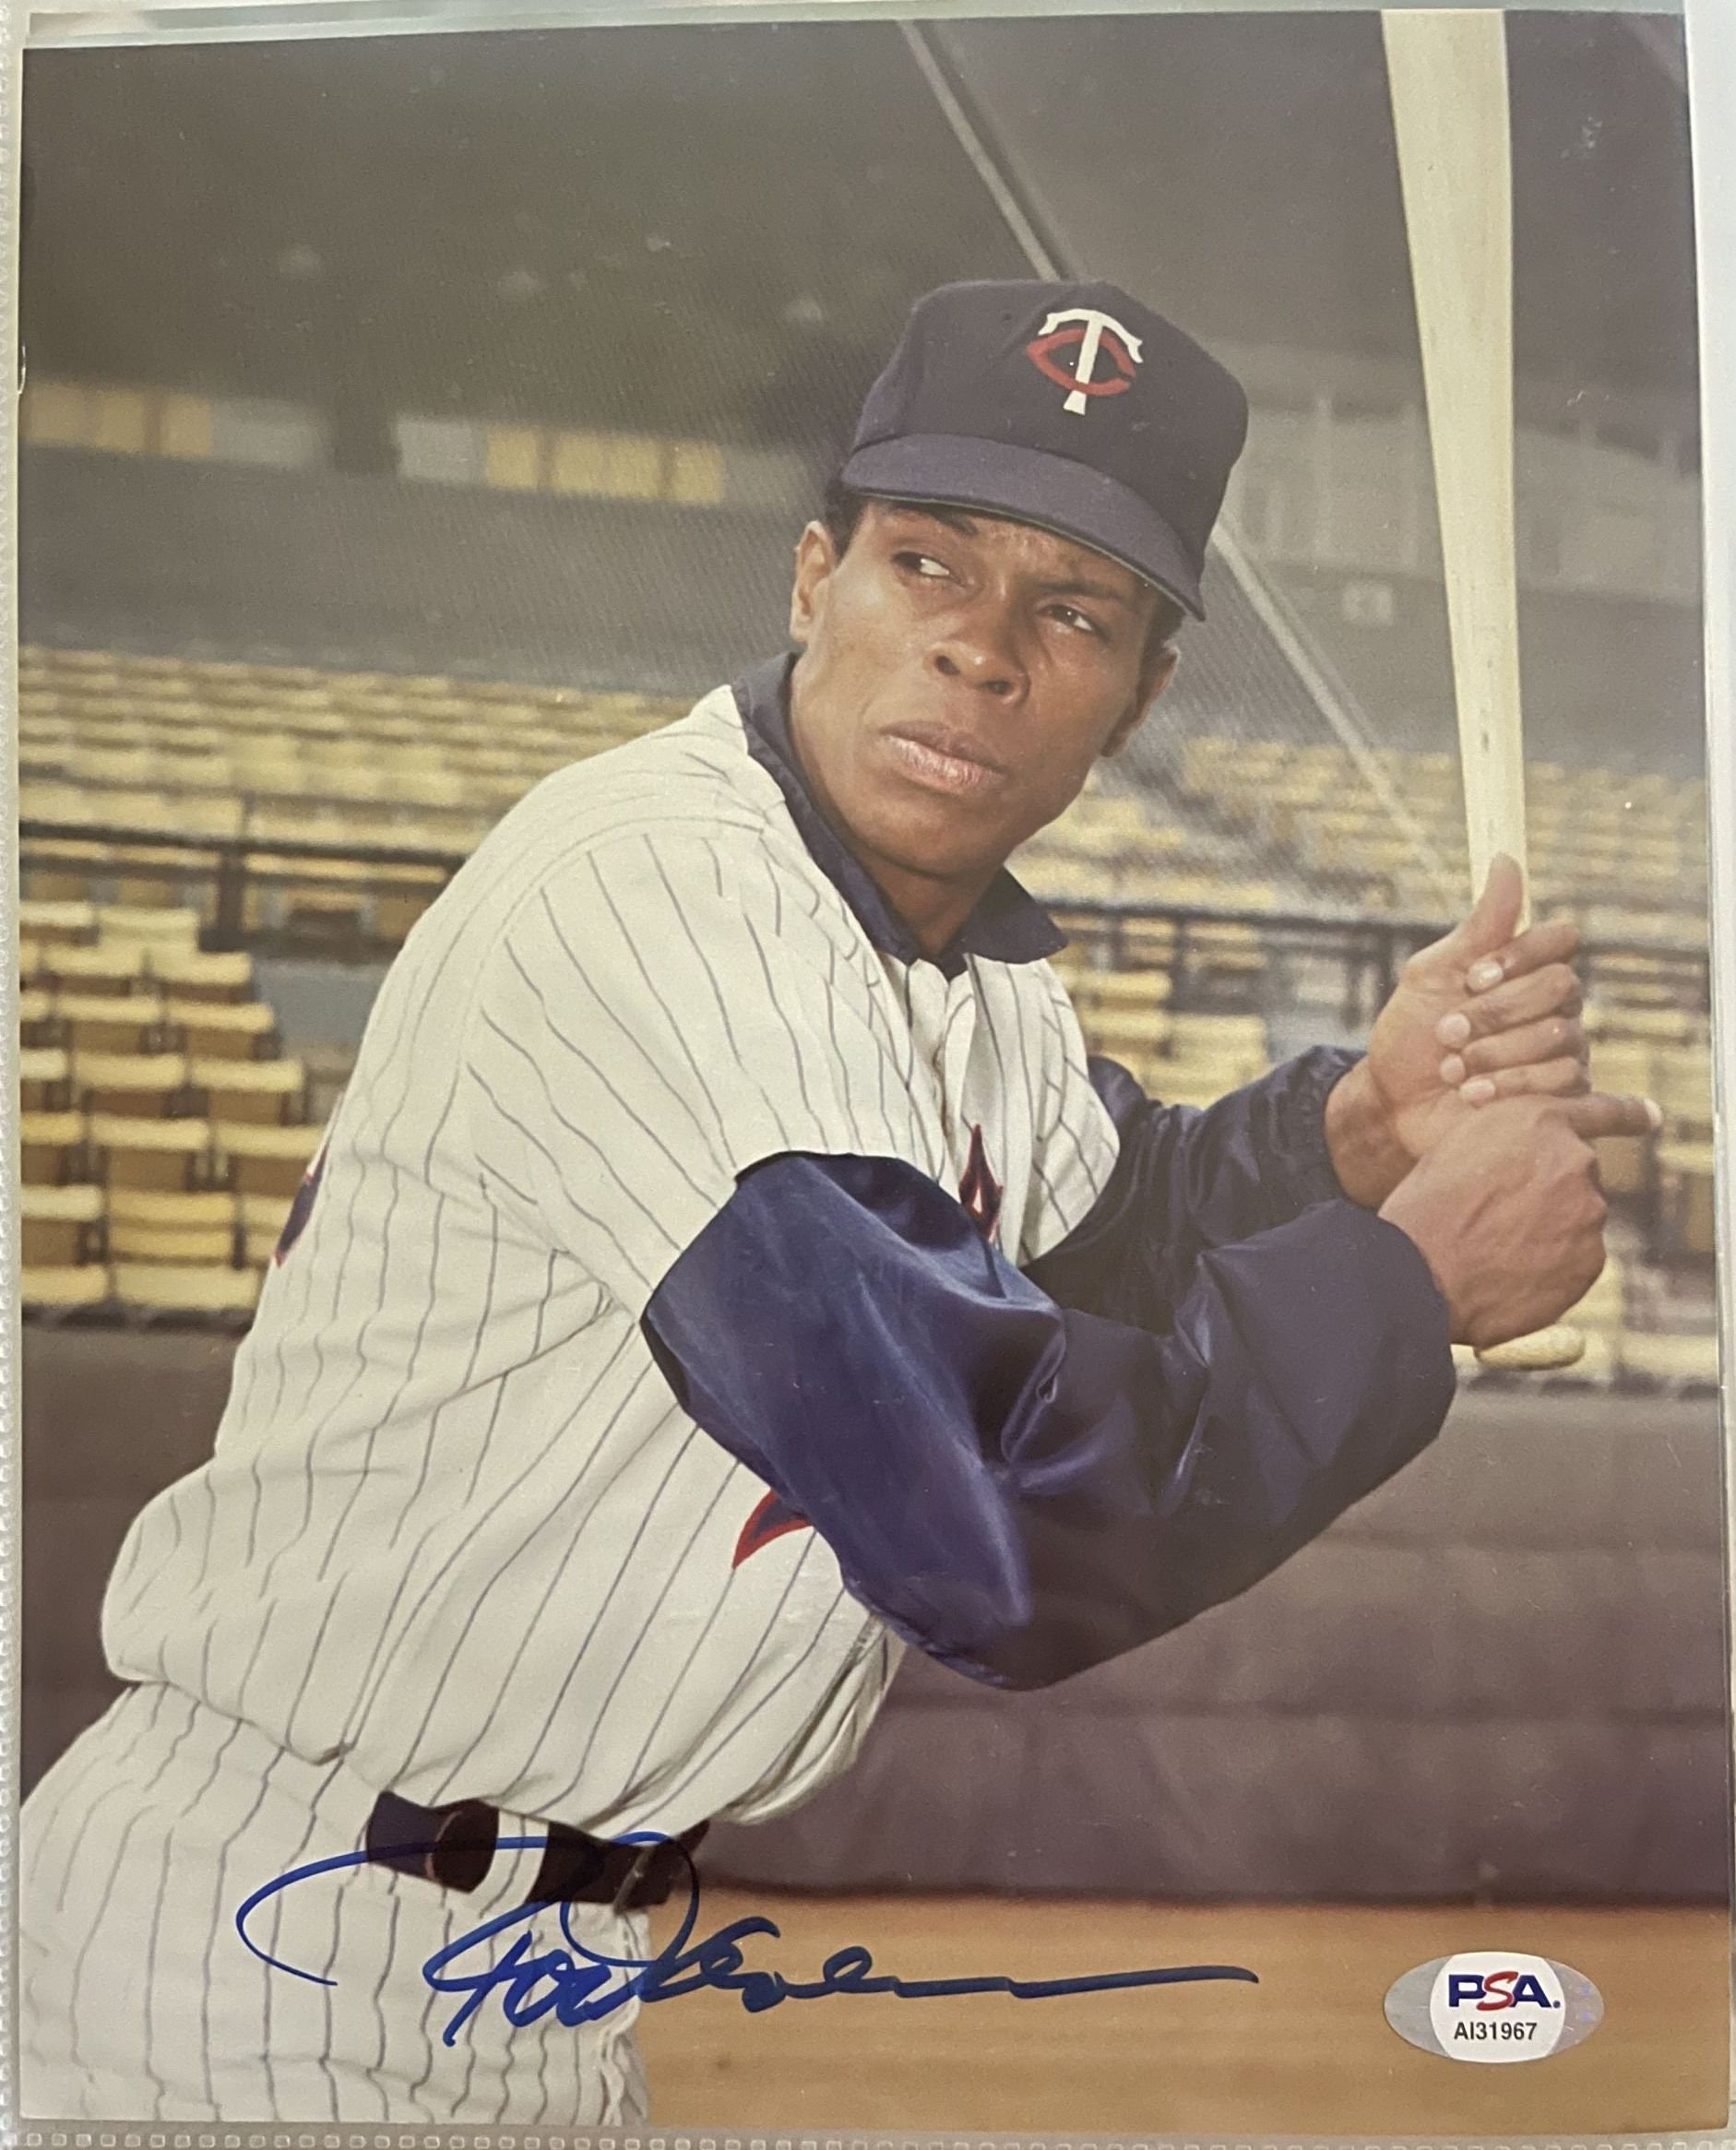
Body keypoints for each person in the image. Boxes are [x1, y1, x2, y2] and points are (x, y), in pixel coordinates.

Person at [20, 279, 1653, 2125]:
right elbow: (998, 1513)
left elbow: (1100, 1245)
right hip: (262, 1942)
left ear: (1138, 694)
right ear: (811, 580)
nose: (980, 647)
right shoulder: (663, 897)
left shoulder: (970, 986)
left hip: (543, 1976)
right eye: (925, 564)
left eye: (1072, 608)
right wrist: (1408, 1278)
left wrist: (1355, 1128)